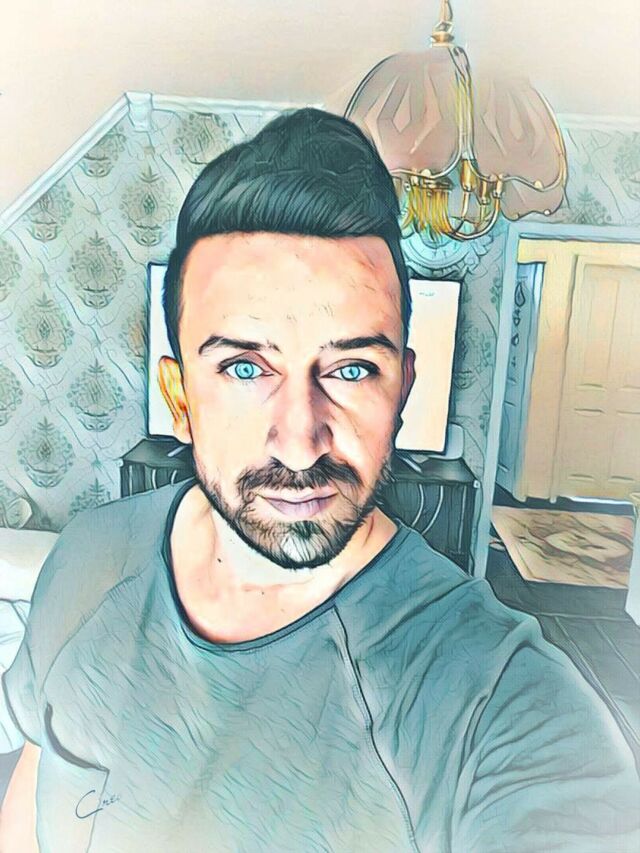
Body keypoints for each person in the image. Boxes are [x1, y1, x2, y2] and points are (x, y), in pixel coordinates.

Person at [1, 108, 638, 853]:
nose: (301, 443)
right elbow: (33, 797)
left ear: (402, 392)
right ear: (179, 398)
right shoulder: (86, 558)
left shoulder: (497, 699)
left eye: (352, 369)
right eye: (245, 368)